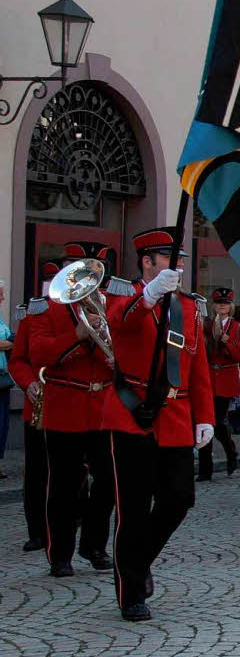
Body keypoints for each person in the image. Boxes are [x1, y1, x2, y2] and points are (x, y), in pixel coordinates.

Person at [102, 227, 214, 621]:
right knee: (132, 508)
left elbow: (197, 365)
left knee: (180, 498)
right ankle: (130, 591)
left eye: (180, 259)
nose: (179, 266)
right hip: (131, 414)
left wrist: (205, 417)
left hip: (176, 415)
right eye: (170, 258)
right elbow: (120, 323)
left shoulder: (187, 306)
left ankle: (139, 560)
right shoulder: (123, 294)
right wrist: (148, 296)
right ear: (148, 262)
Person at [33, 242, 118, 577]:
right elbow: (39, 353)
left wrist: (116, 356)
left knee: (109, 480)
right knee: (64, 485)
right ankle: (60, 554)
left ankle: (94, 545)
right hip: (65, 407)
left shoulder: (109, 307)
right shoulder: (47, 310)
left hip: (102, 409)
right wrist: (78, 334)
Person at [8, 262, 60, 552]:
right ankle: (37, 530)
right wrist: (28, 384)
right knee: (38, 471)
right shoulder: (33, 315)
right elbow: (18, 360)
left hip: (74, 402)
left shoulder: (84, 313)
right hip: (39, 404)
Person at [197, 287, 240, 481]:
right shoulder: (207, 324)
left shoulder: (237, 327)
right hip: (208, 377)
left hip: (225, 378)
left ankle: (231, 452)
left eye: (225, 303)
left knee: (218, 423)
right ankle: (205, 470)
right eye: (218, 303)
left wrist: (226, 341)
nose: (222, 306)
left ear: (230, 306)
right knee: (204, 421)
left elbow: (238, 355)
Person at [0, 279, 13, 479]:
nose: (3, 297)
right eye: (0, 293)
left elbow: (10, 338)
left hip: (2, 379)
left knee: (2, 425)